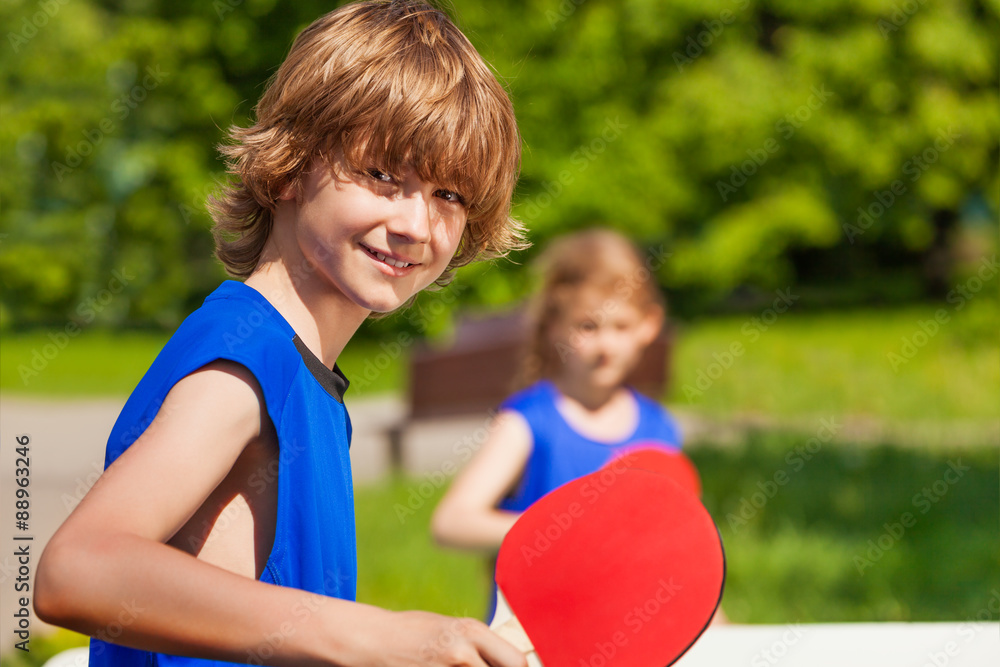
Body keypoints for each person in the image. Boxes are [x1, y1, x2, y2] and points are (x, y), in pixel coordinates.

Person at [33, 2, 528, 666]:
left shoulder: (306, 381)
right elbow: (77, 571)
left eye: (450, 195)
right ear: (291, 164)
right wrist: (378, 634)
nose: (417, 223)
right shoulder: (244, 366)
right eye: (383, 175)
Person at [430, 229, 682, 617]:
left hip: (622, 631)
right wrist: (562, 532)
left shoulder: (660, 429)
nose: (605, 347)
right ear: (553, 326)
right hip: (534, 635)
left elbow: (675, 550)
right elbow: (451, 522)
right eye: (587, 327)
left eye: (621, 327)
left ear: (649, 325)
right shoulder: (529, 421)